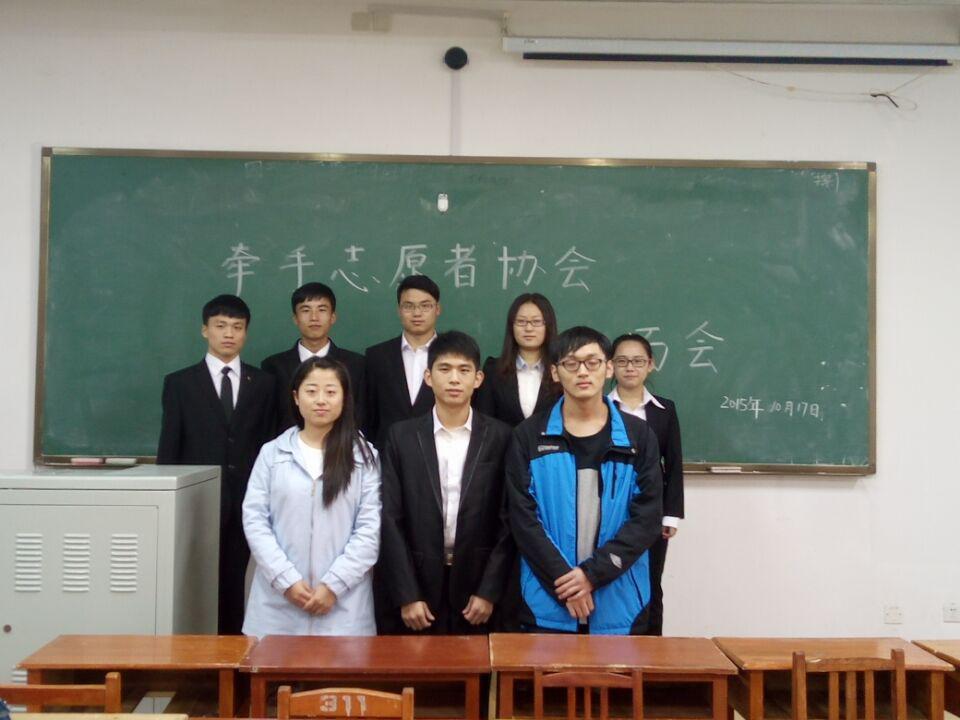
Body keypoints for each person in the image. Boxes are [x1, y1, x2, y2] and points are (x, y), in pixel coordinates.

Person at [506, 326, 663, 635]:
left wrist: (591, 575)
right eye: (571, 363)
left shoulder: (639, 437)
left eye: (592, 362)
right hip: (547, 604)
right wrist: (566, 582)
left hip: (620, 604)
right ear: (555, 372)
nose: (582, 372)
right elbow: (522, 518)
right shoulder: (528, 436)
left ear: (608, 368)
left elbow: (647, 518)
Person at [378, 331, 513, 635]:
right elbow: (390, 517)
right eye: (444, 369)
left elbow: (508, 520)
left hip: (477, 587)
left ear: (478, 379)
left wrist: (489, 590)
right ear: (428, 377)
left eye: (464, 370)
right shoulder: (401, 436)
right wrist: (406, 593)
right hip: (418, 585)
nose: (454, 379)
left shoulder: (501, 437)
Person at [157, 294, 276, 634]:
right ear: (204, 330)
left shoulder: (264, 384)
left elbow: (270, 445)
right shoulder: (180, 383)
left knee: (236, 581)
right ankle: (193, 651)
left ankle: (231, 651)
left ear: (246, 333)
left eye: (237, 327)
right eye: (221, 326)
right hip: (196, 501)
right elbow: (169, 448)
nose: (229, 334)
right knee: (191, 582)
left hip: (246, 500)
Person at [242, 357, 380, 636]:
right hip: (278, 605)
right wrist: (287, 581)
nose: (321, 400)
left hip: (343, 607)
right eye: (311, 391)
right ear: (296, 397)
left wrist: (333, 586)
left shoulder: (364, 457)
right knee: (273, 664)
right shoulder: (272, 453)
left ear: (345, 398)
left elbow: (370, 529)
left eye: (331, 392)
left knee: (342, 667)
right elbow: (255, 521)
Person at [608, 333, 684, 636]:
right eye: (622, 361)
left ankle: (652, 651)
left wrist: (670, 515)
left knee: (651, 583)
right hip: (610, 509)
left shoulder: (664, 410)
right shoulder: (599, 407)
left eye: (638, 361)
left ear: (650, 365)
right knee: (610, 580)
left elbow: (674, 464)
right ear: (611, 366)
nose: (630, 368)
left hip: (652, 512)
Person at [261, 282, 365, 431]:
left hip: (342, 444)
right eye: (305, 310)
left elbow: (361, 417)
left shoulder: (356, 365)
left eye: (322, 310)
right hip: (288, 445)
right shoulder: (273, 366)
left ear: (333, 317)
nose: (314, 317)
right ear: (295, 318)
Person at [364, 275, 441, 449]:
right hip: (387, 455)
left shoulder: (452, 356)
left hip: (439, 453)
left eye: (425, 306)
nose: (417, 313)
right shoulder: (377, 356)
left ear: (437, 309)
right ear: (399, 310)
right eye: (408, 306)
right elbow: (369, 414)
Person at [475, 293, 561, 427]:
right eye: (521, 321)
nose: (528, 328)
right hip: (504, 441)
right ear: (512, 326)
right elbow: (484, 423)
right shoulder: (493, 370)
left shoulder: (562, 371)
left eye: (536, 322)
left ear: (548, 325)